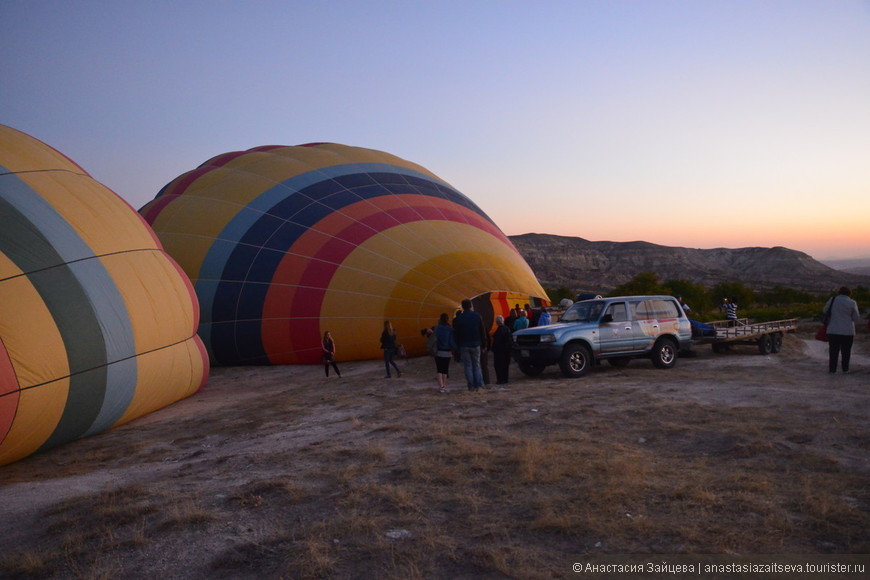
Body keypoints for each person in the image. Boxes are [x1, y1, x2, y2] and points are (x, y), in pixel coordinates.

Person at [824, 286, 863, 374]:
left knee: (833, 351)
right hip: (848, 331)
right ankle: (845, 369)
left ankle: (832, 369)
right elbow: (856, 318)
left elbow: (824, 310)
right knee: (846, 351)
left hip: (833, 330)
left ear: (839, 292)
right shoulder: (852, 302)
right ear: (849, 293)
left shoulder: (833, 300)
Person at [452, 299, 487, 391]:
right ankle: (478, 385)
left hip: (464, 345)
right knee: (476, 365)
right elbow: (482, 331)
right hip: (476, 344)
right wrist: (484, 344)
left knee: (468, 366)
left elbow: (457, 333)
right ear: (471, 305)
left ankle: (471, 386)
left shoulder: (459, 318)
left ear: (462, 307)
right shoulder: (477, 316)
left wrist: (457, 346)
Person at [433, 313, 456, 392]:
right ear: (447, 320)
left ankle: (441, 386)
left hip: (438, 351)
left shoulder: (437, 328)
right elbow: (452, 341)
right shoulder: (450, 329)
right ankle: (444, 386)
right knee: (445, 370)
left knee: (439, 369)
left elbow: (433, 339)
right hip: (447, 352)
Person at [491, 315, 513, 385]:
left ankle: (500, 379)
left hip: (499, 351)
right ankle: (505, 379)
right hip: (505, 351)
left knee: (498, 366)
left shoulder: (498, 331)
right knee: (505, 366)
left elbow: (495, 342)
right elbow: (510, 340)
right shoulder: (507, 329)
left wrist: (493, 349)